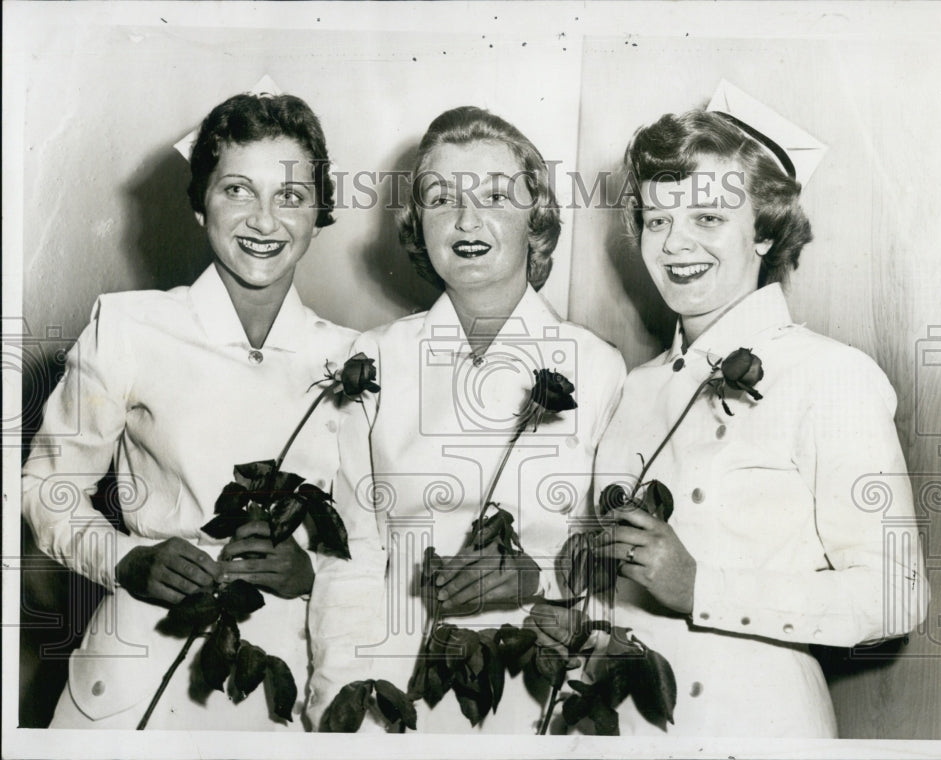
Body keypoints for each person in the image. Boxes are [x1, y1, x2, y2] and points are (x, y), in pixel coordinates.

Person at [551, 107, 928, 736]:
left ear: (763, 231)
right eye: (658, 219)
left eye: (707, 218)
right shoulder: (631, 389)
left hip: (756, 728)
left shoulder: (830, 374)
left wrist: (703, 586)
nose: (675, 243)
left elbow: (897, 594)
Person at [21, 92, 358, 730]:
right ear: (200, 200)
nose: (264, 220)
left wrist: (311, 571)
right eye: (237, 189)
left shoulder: (351, 358)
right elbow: (46, 487)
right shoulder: (128, 326)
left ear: (319, 212)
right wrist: (124, 557)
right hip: (131, 690)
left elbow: (368, 540)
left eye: (289, 196)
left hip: (271, 695)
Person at [307, 106, 626, 733]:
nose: (467, 219)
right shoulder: (372, 360)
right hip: (390, 694)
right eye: (441, 197)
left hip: (536, 703)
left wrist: (536, 578)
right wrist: (340, 701)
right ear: (417, 222)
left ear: (536, 217)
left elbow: (616, 568)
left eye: (496, 195)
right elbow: (351, 556)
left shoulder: (599, 368)